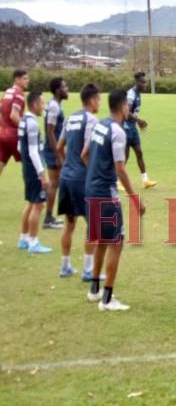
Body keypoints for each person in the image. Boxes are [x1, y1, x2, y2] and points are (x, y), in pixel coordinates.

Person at [85, 89, 145, 312]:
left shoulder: (99, 125)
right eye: (128, 106)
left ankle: (94, 290)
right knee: (116, 242)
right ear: (123, 107)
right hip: (105, 193)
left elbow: (85, 154)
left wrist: (95, 173)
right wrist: (135, 199)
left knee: (101, 240)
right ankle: (107, 299)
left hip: (91, 189)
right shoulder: (118, 132)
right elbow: (120, 168)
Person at [57, 83, 100, 280]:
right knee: (95, 224)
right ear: (92, 100)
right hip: (81, 180)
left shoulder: (70, 117)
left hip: (65, 177)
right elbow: (86, 152)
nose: (99, 103)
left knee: (69, 223)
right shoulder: (91, 119)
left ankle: (65, 266)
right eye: (98, 99)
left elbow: (59, 147)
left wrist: (67, 165)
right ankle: (88, 270)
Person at [17, 91, 53, 254]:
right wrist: (42, 174)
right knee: (38, 205)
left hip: (27, 168)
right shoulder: (32, 124)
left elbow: (20, 147)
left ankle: (23, 239)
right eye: (42, 103)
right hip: (33, 169)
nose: (43, 107)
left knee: (31, 203)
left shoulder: (23, 120)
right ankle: (33, 243)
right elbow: (32, 151)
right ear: (34, 105)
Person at [122, 72, 157, 190]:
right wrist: (139, 120)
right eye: (143, 82)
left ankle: (145, 180)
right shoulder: (131, 95)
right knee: (124, 156)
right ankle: (116, 181)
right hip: (125, 128)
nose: (145, 84)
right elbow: (126, 112)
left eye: (145, 82)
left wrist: (137, 122)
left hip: (132, 127)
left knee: (139, 152)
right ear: (137, 83)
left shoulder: (137, 93)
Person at [42, 77, 68, 230]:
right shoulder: (54, 107)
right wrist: (58, 154)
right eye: (64, 86)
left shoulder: (55, 104)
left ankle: (50, 216)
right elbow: (50, 132)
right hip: (53, 150)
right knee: (54, 184)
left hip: (55, 149)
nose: (67, 89)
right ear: (58, 90)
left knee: (56, 183)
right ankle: (48, 218)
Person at [0, 69, 30, 177]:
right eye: (25, 79)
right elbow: (14, 115)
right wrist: (26, 128)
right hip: (14, 136)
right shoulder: (19, 94)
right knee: (30, 163)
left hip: (3, 134)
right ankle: (36, 191)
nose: (28, 81)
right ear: (17, 80)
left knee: (1, 162)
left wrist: (4, 127)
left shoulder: (7, 92)